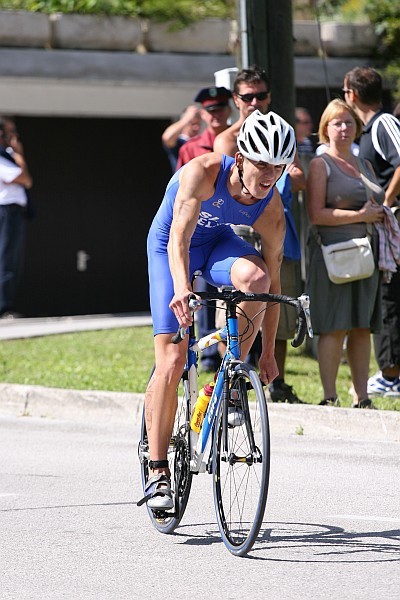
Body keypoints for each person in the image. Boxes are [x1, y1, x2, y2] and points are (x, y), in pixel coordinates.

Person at [141, 110, 296, 510]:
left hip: (214, 246)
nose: (268, 174)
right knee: (173, 360)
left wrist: (264, 353)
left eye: (277, 167)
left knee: (256, 279)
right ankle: (158, 472)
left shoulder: (272, 209)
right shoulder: (203, 172)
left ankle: (230, 369)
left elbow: (273, 287)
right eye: (261, 163)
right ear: (241, 157)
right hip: (170, 250)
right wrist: (181, 289)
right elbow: (178, 238)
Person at [214, 65, 305, 403]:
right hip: (235, 226)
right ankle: (231, 377)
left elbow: (300, 179)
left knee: (275, 293)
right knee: (234, 305)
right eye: (247, 96)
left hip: (271, 218)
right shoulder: (228, 138)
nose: (255, 102)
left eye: (261, 95)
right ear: (236, 100)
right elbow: (228, 188)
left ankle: (272, 374)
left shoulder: (283, 134)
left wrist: (293, 176)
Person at [306, 98, 385, 408]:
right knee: (334, 325)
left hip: (367, 254)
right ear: (325, 129)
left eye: (349, 122)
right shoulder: (319, 164)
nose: (343, 128)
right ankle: (329, 396)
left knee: (362, 325)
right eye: (336, 123)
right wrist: (360, 216)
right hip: (332, 256)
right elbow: (316, 214)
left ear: (357, 127)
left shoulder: (364, 163)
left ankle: (362, 396)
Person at [344, 67, 400, 398]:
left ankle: (391, 376)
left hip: (393, 223)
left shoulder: (384, 124)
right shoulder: (370, 128)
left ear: (351, 94)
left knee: (390, 297)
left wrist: (388, 202)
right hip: (382, 225)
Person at [177, 86, 233, 372]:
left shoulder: (238, 142)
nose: (216, 114)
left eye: (221, 108)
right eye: (210, 110)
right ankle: (205, 352)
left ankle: (232, 352)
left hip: (225, 224)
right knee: (199, 292)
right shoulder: (191, 147)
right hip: (196, 225)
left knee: (227, 291)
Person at [0, 117, 33, 317]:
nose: (14, 138)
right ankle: (3, 308)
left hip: (12, 213)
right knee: (5, 260)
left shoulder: (7, 156)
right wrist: (19, 154)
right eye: (10, 133)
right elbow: (26, 180)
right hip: (5, 212)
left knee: (12, 260)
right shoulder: (3, 158)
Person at [161, 105, 202, 172]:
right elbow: (167, 137)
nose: (196, 127)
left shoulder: (202, 142)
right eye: (192, 124)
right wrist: (187, 118)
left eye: (198, 124)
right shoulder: (179, 142)